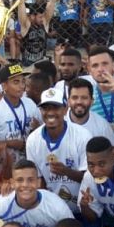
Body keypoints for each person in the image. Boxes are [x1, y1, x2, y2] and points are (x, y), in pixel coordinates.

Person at [25, 87, 91, 216]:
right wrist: (45, 207)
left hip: (82, 207)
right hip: (52, 210)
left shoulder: (82, 135)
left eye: (55, 107)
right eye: (46, 108)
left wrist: (66, 171)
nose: (50, 113)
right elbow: (38, 180)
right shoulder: (33, 140)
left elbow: (90, 178)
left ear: (66, 109)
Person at [0, 64, 40, 162]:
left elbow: (40, 131)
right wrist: (9, 143)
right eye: (16, 82)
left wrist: (37, 129)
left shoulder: (30, 103)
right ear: (4, 86)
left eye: (23, 81)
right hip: (3, 166)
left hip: (28, 163)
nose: (21, 86)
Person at [65, 78, 114, 153]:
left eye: (84, 98)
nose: (79, 102)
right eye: (75, 98)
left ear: (92, 101)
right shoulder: (60, 123)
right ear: (68, 101)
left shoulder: (101, 124)